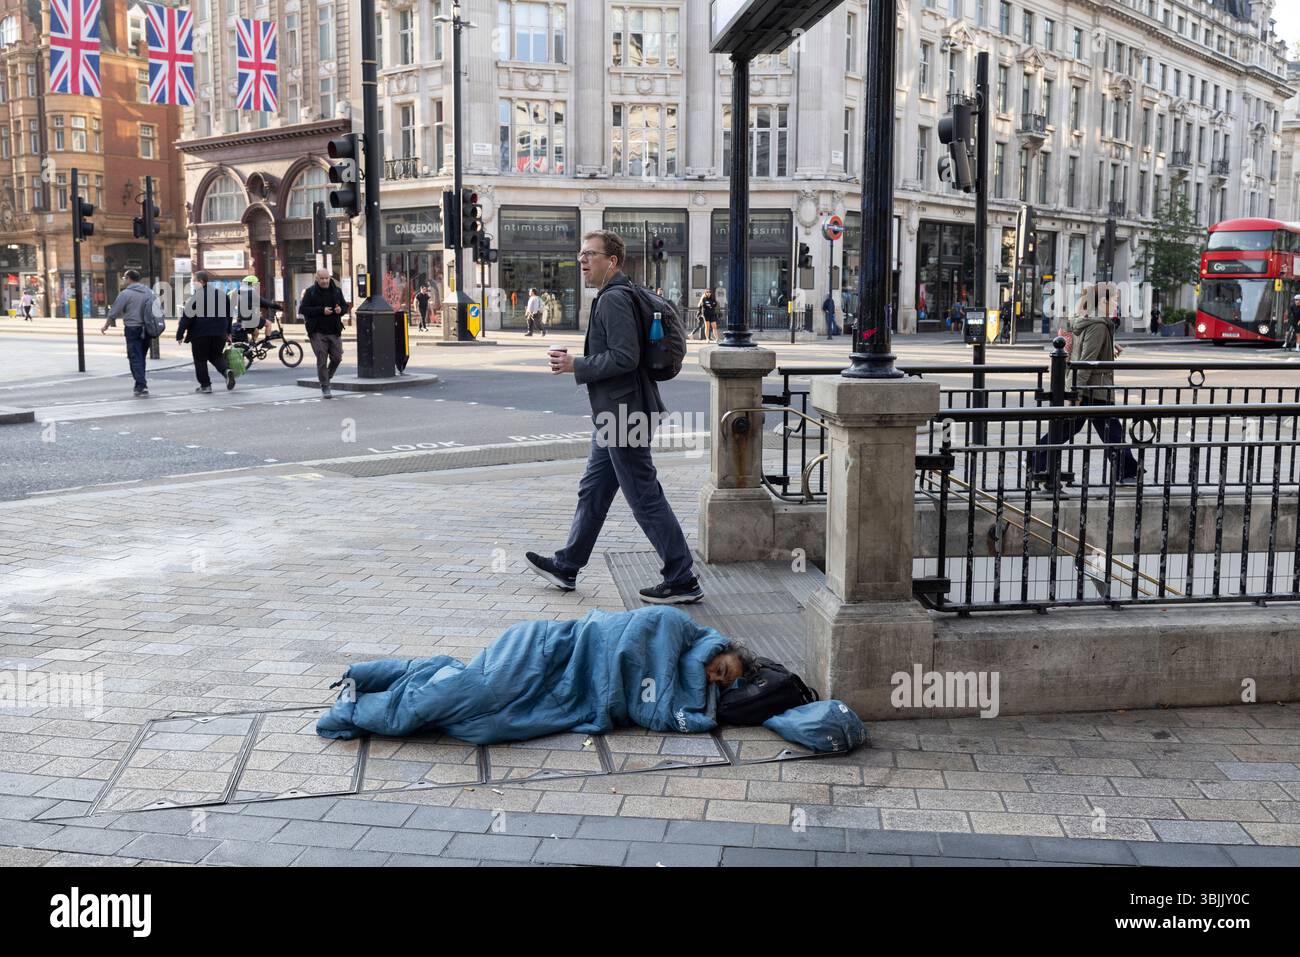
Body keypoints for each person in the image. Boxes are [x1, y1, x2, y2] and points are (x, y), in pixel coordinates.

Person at [526, 229, 703, 605]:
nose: (583, 260)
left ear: (613, 261)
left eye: (591, 254)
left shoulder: (613, 300)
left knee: (643, 495)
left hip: (624, 415)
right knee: (594, 490)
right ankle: (567, 565)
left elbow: (626, 357)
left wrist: (577, 363)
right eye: (581, 254)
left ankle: (681, 576)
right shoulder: (616, 295)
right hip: (618, 413)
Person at [1031, 284, 1140, 486]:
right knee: (1110, 431)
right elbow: (1086, 361)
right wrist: (1077, 394)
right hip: (1092, 388)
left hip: (1087, 387)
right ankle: (1127, 472)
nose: (1117, 304)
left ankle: (1036, 461)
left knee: (1071, 428)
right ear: (1102, 302)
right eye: (1114, 300)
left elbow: (1084, 351)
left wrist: (1108, 349)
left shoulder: (1088, 320)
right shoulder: (1098, 325)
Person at [176, 271, 235, 393]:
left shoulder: (195, 298)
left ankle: (205, 385)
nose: (192, 284)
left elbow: (186, 318)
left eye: (194, 281)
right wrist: (228, 332)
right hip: (220, 333)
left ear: (201, 282)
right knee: (216, 356)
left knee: (200, 359)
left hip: (200, 334)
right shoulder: (222, 295)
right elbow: (229, 315)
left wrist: (180, 335)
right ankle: (226, 371)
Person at [100, 270, 157, 397]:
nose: (124, 280)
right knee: (141, 357)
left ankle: (142, 386)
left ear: (129, 279)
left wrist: (106, 325)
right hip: (147, 329)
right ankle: (139, 385)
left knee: (135, 358)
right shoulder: (149, 292)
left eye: (124, 278)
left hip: (133, 329)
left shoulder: (126, 294)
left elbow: (114, 311)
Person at [299, 268, 352, 398]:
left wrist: (341, 310)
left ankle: (327, 376)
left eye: (327, 278)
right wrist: (321, 311)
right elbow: (303, 309)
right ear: (317, 279)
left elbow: (345, 307)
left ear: (330, 278)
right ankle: (325, 386)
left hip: (334, 330)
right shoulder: (310, 292)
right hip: (317, 331)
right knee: (321, 357)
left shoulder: (336, 291)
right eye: (322, 278)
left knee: (337, 357)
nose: (325, 281)